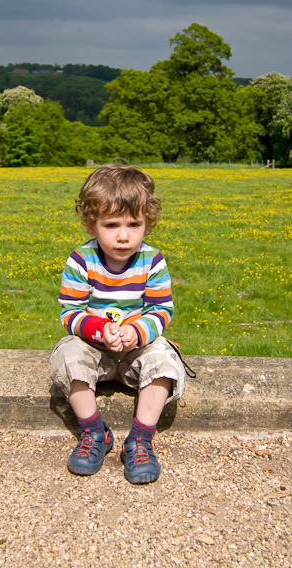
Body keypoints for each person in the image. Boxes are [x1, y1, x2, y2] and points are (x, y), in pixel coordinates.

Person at [50, 164, 186, 484]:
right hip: (95, 347)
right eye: (111, 224)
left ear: (147, 224)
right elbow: (70, 311)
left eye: (133, 224)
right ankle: (95, 433)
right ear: (90, 223)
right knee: (66, 355)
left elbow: (160, 310)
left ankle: (139, 440)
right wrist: (100, 330)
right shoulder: (81, 260)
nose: (124, 236)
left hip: (136, 349)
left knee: (165, 359)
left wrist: (135, 332)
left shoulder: (152, 260)